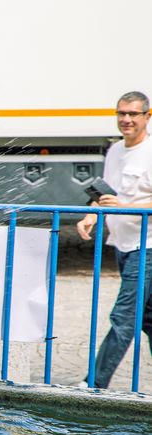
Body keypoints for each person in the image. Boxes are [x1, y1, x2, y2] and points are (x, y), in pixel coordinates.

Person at [76, 90, 152, 388]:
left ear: (148, 116)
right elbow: (105, 194)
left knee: (124, 317)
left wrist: (125, 206)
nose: (126, 119)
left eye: (133, 114)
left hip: (146, 247)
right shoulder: (116, 150)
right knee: (148, 319)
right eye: (122, 113)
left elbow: (123, 202)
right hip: (122, 245)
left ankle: (93, 385)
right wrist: (91, 215)